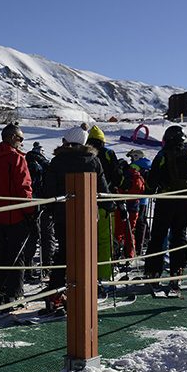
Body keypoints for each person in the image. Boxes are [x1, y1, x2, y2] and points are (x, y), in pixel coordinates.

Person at [42, 126, 111, 312]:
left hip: (62, 215)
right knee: (85, 252)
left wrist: (50, 208)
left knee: (63, 252)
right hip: (87, 215)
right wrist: (108, 206)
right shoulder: (93, 160)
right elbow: (103, 189)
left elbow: (48, 189)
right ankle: (83, 291)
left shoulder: (57, 161)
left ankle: (55, 294)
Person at [143, 125, 187, 292]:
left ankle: (153, 273)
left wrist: (148, 192)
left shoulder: (163, 155)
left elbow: (152, 180)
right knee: (179, 236)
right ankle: (177, 273)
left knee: (158, 236)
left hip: (166, 201)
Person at [0, 123, 33, 305]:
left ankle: (1, 289)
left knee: (0, 253)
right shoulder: (16, 158)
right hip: (15, 214)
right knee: (17, 255)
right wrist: (30, 212)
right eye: (20, 139)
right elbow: (23, 187)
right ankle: (15, 293)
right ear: (11, 138)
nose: (21, 143)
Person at [86, 125, 123, 288]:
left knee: (87, 240)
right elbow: (118, 177)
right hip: (104, 203)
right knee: (105, 241)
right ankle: (104, 277)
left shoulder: (83, 153)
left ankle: (87, 273)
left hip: (83, 203)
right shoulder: (108, 154)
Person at [25, 140, 56, 277]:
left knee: (31, 236)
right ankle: (47, 267)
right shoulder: (44, 164)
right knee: (47, 235)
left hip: (29, 203)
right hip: (45, 202)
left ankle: (28, 266)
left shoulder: (25, 162)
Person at [127, 149, 152, 255]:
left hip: (135, 199)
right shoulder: (147, 165)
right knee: (143, 221)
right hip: (144, 200)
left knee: (137, 223)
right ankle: (146, 239)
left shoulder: (135, 166)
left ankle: (138, 247)